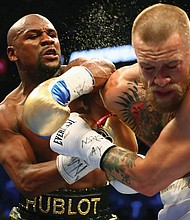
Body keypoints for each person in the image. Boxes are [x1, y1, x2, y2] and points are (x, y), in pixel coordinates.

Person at [23, 3, 190, 220]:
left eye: (171, 66)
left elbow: (148, 180)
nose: (159, 80)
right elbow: (106, 75)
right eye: (148, 67)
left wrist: (83, 142)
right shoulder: (124, 88)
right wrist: (67, 87)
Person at [0, 13, 135, 220]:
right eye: (33, 36)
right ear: (12, 53)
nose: (47, 40)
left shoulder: (78, 78)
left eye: (52, 34)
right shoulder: (7, 112)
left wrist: (61, 90)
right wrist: (93, 150)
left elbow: (106, 67)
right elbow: (26, 180)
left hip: (97, 212)